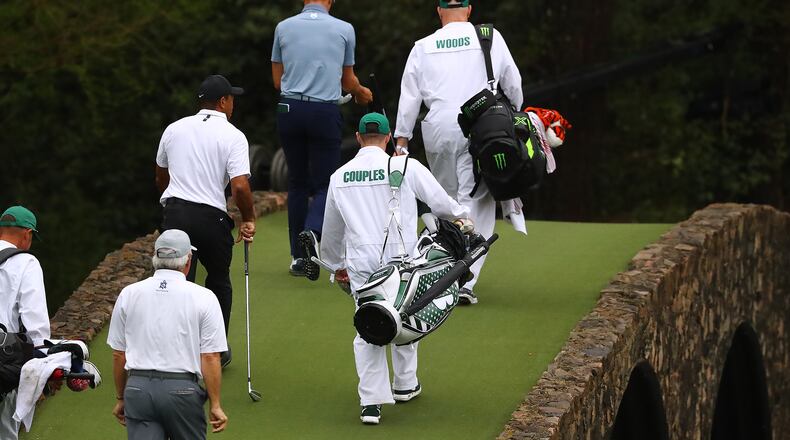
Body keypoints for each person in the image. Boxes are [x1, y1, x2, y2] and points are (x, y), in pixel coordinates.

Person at [318, 113, 471, 425]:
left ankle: (372, 401)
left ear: (359, 138)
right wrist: (462, 217)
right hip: (402, 256)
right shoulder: (406, 166)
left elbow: (331, 231)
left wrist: (335, 266)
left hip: (361, 261)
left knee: (370, 322)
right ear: (388, 138)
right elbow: (440, 202)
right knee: (408, 309)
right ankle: (404, 384)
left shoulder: (340, 176)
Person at [394, 0, 523, 305]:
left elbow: (409, 97)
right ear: (469, 9)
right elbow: (512, 82)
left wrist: (402, 140)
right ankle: (464, 279)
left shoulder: (422, 46)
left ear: (439, 11)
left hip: (437, 125)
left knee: (444, 197)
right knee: (475, 198)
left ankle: (443, 267)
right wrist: (516, 115)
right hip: (479, 124)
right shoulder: (489, 37)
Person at [155, 74, 256, 367]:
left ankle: (171, 351)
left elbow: (161, 175)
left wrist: (171, 204)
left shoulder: (174, 129)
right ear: (223, 102)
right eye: (232, 99)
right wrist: (248, 218)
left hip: (175, 213)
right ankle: (215, 350)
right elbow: (239, 186)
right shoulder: (234, 135)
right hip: (211, 218)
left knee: (174, 282)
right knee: (218, 281)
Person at [271, 0, 374, 279]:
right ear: (330, 1)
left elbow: (278, 82)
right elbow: (348, 80)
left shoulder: (283, 27)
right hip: (323, 111)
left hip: (289, 110)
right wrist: (362, 93)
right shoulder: (344, 28)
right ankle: (312, 230)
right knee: (326, 182)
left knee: (296, 182)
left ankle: (296, 257)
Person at [107, 229, 228, 439]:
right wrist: (215, 404)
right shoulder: (205, 297)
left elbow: (119, 354)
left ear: (155, 258)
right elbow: (210, 356)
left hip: (138, 391)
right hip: (182, 392)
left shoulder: (129, 293)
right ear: (188, 260)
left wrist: (121, 398)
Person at [0, 205, 50, 439]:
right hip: (4, 360)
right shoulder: (25, 263)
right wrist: (43, 367)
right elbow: (36, 323)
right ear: (27, 234)